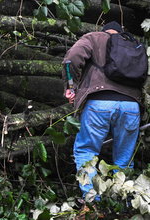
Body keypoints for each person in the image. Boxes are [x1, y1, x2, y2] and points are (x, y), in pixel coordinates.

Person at [62, 21, 143, 200]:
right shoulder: (134, 44)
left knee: (86, 151)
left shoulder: (94, 37)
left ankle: (93, 202)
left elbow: (71, 58)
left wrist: (71, 85)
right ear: (121, 32)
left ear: (104, 31)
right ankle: (122, 204)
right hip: (131, 107)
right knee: (124, 159)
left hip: (100, 103)